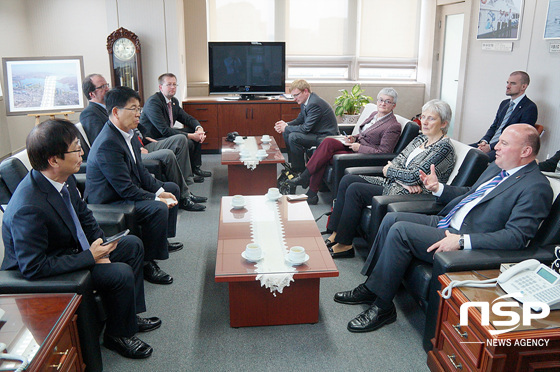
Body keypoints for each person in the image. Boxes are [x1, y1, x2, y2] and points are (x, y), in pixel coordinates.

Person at [335, 124, 552, 333]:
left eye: (504, 143)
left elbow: (516, 237)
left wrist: (462, 241)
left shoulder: (535, 187)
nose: (496, 147)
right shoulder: (498, 167)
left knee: (401, 231)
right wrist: (438, 188)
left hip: (464, 236)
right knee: (391, 218)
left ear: (525, 151)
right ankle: (372, 286)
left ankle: (383, 307)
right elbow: (470, 193)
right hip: (448, 220)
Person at [1, 119, 160, 359]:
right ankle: (117, 335)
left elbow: (85, 217)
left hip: (73, 250)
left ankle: (129, 317)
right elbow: (33, 267)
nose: (82, 153)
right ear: (53, 160)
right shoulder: (28, 207)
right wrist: (90, 257)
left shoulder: (63, 178)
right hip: (50, 269)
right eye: (76, 149)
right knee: (120, 274)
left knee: (132, 246)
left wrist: (102, 248)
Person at [326, 99, 456, 258]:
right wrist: (401, 177)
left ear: (443, 124)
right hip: (396, 184)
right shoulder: (420, 139)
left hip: (412, 194)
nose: (425, 122)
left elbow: (414, 175)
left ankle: (345, 244)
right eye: (423, 117)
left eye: (431, 118)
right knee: (348, 180)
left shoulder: (443, 148)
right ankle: (336, 231)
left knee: (355, 189)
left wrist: (397, 174)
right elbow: (396, 162)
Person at [85, 86, 181, 286]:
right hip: (111, 201)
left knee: (172, 188)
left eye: (139, 108)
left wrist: (161, 191)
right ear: (115, 112)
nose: (139, 114)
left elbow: (141, 173)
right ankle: (148, 262)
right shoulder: (107, 143)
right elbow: (125, 189)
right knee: (157, 207)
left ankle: (160, 241)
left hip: (125, 191)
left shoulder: (127, 134)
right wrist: (156, 198)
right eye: (133, 109)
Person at [80, 74, 206, 211]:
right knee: (169, 155)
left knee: (181, 144)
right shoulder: (93, 117)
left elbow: (139, 130)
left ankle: (185, 191)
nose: (107, 88)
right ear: (91, 93)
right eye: (102, 86)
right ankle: (184, 197)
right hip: (112, 192)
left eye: (107, 85)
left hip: (141, 145)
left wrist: (144, 140)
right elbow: (103, 143)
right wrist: (156, 197)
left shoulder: (125, 123)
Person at [288, 88, 402, 205]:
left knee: (326, 155)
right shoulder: (374, 114)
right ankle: (307, 183)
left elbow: (384, 152)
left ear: (394, 106)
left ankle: (309, 186)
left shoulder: (393, 126)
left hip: (364, 155)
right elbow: (364, 134)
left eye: (388, 101)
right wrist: (354, 137)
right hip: (354, 145)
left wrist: (359, 147)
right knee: (328, 142)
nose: (383, 103)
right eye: (381, 100)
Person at [140, 73, 212, 178]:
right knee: (189, 140)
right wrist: (191, 136)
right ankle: (186, 176)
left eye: (174, 84)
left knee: (194, 130)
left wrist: (198, 128)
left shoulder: (173, 101)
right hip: (155, 138)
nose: (173, 87)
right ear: (161, 87)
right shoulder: (153, 103)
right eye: (169, 84)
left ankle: (195, 168)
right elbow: (164, 130)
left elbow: (187, 118)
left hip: (166, 134)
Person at [274, 79, 338, 173]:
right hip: (316, 133)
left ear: (305, 91)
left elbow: (306, 128)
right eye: (293, 96)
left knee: (293, 136)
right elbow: (300, 119)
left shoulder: (314, 103)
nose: (295, 99)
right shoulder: (305, 101)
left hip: (326, 137)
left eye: (296, 95)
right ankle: (294, 165)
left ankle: (299, 171)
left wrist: (286, 128)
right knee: (286, 133)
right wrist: (286, 124)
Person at [474, 71, 537, 162]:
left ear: (524, 86)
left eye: (513, 83)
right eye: (508, 83)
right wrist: (484, 141)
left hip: (505, 149)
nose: (508, 86)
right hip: (490, 145)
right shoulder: (504, 104)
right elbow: (494, 126)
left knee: (476, 159)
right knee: (464, 150)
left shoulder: (530, 107)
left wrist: (490, 147)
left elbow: (519, 138)